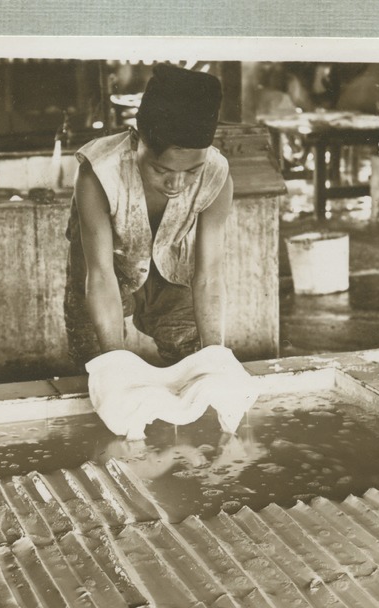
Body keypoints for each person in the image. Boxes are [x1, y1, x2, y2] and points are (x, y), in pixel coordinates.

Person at [63, 63, 236, 435]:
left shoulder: (217, 175)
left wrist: (215, 356)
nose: (177, 185)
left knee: (198, 369)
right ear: (136, 140)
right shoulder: (98, 172)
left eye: (191, 172)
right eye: (161, 170)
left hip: (170, 267)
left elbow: (209, 276)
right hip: (106, 271)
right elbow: (100, 276)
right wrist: (114, 365)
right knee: (101, 373)